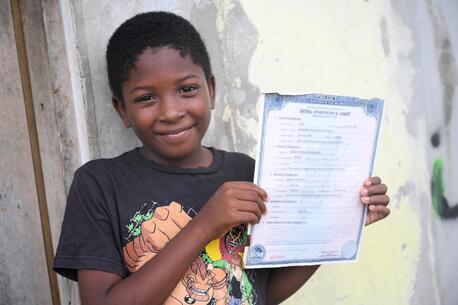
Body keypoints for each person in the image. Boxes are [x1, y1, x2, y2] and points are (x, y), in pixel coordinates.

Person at [53, 11, 390, 305]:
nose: (171, 112)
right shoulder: (100, 184)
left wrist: (337, 225)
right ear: (121, 109)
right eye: (146, 98)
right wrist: (206, 224)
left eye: (187, 89)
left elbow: (261, 292)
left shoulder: (247, 171)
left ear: (211, 91)